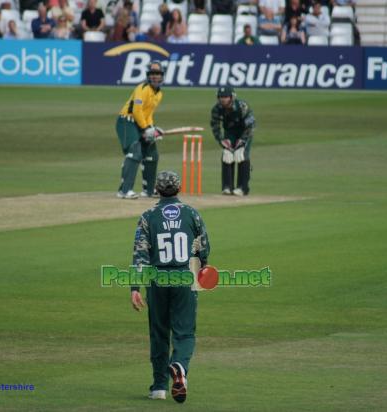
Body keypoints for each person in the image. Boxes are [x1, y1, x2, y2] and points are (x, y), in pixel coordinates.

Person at [131, 170, 210, 403]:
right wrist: (201, 268)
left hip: (157, 280)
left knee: (159, 332)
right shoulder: (191, 214)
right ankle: (179, 366)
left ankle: (158, 387)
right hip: (185, 278)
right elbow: (203, 248)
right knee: (184, 333)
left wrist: (134, 287)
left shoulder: (148, 216)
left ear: (157, 189)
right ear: (179, 188)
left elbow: (140, 256)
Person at [115, 61, 165, 199]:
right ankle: (124, 191)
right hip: (127, 121)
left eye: (158, 74)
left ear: (162, 76)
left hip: (140, 124)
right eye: (153, 74)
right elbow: (137, 111)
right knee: (135, 150)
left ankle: (149, 190)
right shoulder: (142, 88)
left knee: (152, 153)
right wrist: (145, 128)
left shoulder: (159, 94)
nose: (155, 77)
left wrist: (152, 129)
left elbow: (148, 114)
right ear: (148, 75)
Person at [210, 86, 255, 196]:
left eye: (225, 97)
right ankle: (227, 187)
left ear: (232, 97)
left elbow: (251, 126)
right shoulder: (217, 108)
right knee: (227, 155)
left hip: (244, 132)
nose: (223, 99)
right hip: (229, 133)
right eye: (220, 97)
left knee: (241, 155)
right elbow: (215, 127)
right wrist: (222, 141)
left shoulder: (242, 106)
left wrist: (243, 141)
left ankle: (243, 188)